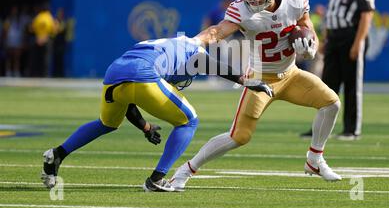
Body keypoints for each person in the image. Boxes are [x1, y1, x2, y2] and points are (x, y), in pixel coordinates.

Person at [169, 0, 342, 192]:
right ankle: (185, 171)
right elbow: (217, 31)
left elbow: (307, 27)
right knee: (239, 136)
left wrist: (311, 47)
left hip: (291, 74)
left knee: (331, 103)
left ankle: (315, 160)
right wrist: (193, 42)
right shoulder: (240, 10)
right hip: (260, 79)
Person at [41, 35, 272, 192]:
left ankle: (57, 154)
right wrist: (246, 81)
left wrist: (145, 127)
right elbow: (215, 65)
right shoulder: (191, 50)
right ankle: (157, 179)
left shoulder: (155, 44)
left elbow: (129, 98)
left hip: (114, 75)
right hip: (143, 75)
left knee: (107, 123)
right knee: (189, 121)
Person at [301, 0, 375, 141]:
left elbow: (367, 15)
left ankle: (351, 129)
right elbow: (330, 16)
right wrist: (325, 39)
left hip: (351, 36)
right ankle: (319, 128)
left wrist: (358, 43)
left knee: (352, 85)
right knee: (326, 85)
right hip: (334, 38)